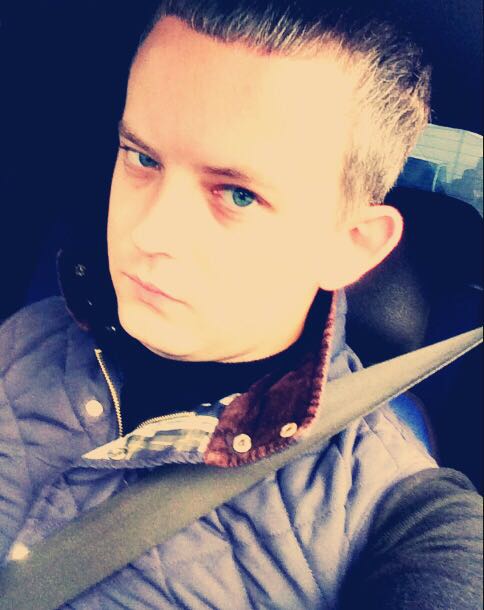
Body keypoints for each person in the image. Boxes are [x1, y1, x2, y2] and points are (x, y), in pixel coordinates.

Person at [0, 2, 481, 608]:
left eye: (237, 195)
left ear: (350, 246)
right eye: (143, 158)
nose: (149, 233)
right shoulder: (30, 333)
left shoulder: (397, 515)